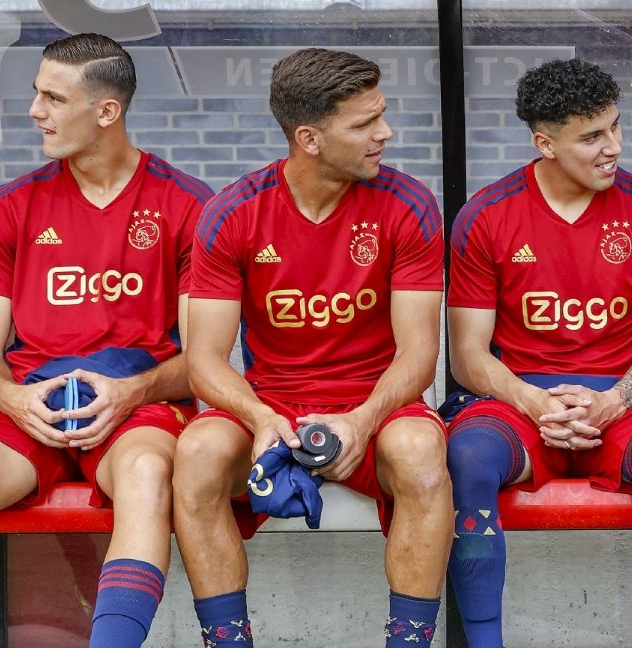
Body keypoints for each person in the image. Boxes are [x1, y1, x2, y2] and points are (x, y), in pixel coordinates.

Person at [0, 33, 212, 648]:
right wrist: (13, 398)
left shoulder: (188, 205)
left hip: (138, 407)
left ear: (107, 111)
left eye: (54, 97)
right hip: (32, 405)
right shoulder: (10, 207)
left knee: (148, 471)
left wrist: (130, 392)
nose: (35, 111)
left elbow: (202, 361)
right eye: (36, 94)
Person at [172, 48, 452, 647]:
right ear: (310, 138)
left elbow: (419, 356)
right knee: (196, 451)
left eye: (382, 115)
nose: (385, 133)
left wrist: (361, 421)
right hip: (271, 405)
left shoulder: (409, 205)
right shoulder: (233, 212)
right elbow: (203, 360)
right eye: (365, 123)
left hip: (377, 404)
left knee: (421, 449)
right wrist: (259, 417)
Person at [444, 58, 632, 648]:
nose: (614, 147)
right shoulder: (485, 216)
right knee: (467, 456)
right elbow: (467, 355)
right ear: (545, 143)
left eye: (615, 126)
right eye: (591, 137)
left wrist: (612, 401)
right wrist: (532, 400)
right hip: (518, 403)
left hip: (622, 401)